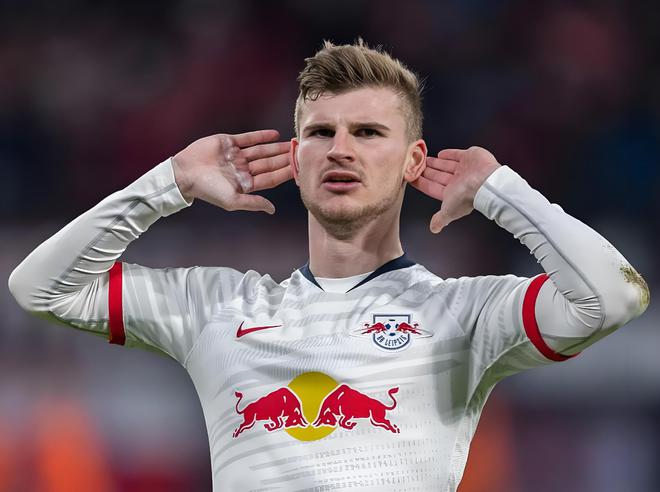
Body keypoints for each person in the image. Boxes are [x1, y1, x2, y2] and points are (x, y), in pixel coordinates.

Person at [8, 39, 650, 491]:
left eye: (368, 133)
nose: (341, 149)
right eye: (321, 132)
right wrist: (166, 184)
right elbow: (41, 288)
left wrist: (502, 192)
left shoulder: (463, 313)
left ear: (414, 160)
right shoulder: (218, 307)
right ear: (296, 156)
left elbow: (615, 296)